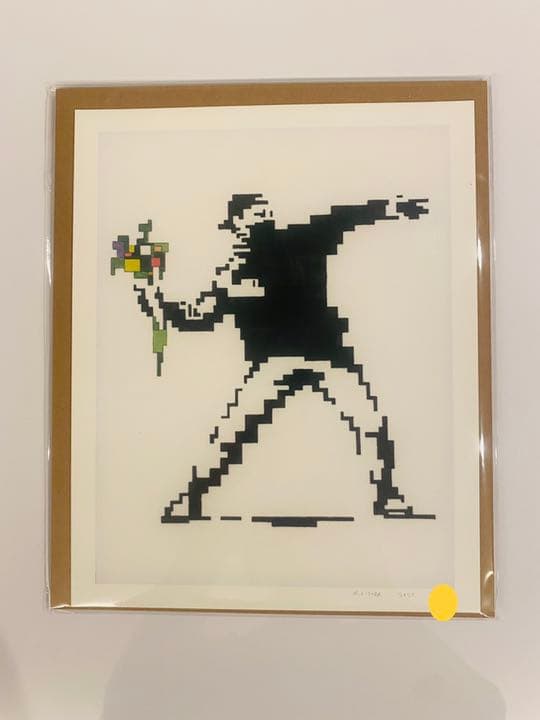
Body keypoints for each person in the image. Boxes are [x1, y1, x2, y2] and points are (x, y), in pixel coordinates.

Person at [121, 193, 435, 526]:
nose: (256, 223)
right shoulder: (234, 272)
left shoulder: (302, 238)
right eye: (248, 219)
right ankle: (190, 499)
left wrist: (395, 208)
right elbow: (194, 318)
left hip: (325, 356)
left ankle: (388, 496)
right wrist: (151, 296)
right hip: (278, 361)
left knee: (369, 424)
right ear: (237, 227)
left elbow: (350, 215)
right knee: (233, 432)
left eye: (261, 215)